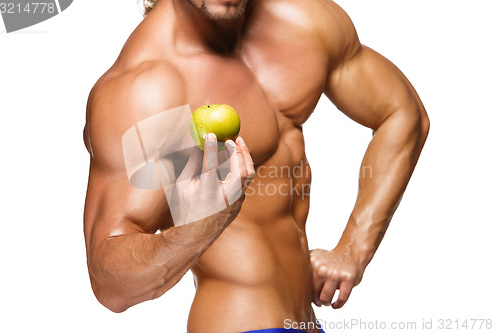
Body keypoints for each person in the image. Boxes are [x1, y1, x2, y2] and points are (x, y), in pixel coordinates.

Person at [83, 0, 429, 332]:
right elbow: (109, 283)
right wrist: (197, 229)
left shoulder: (304, 23)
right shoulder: (151, 87)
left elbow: (402, 114)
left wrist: (354, 248)